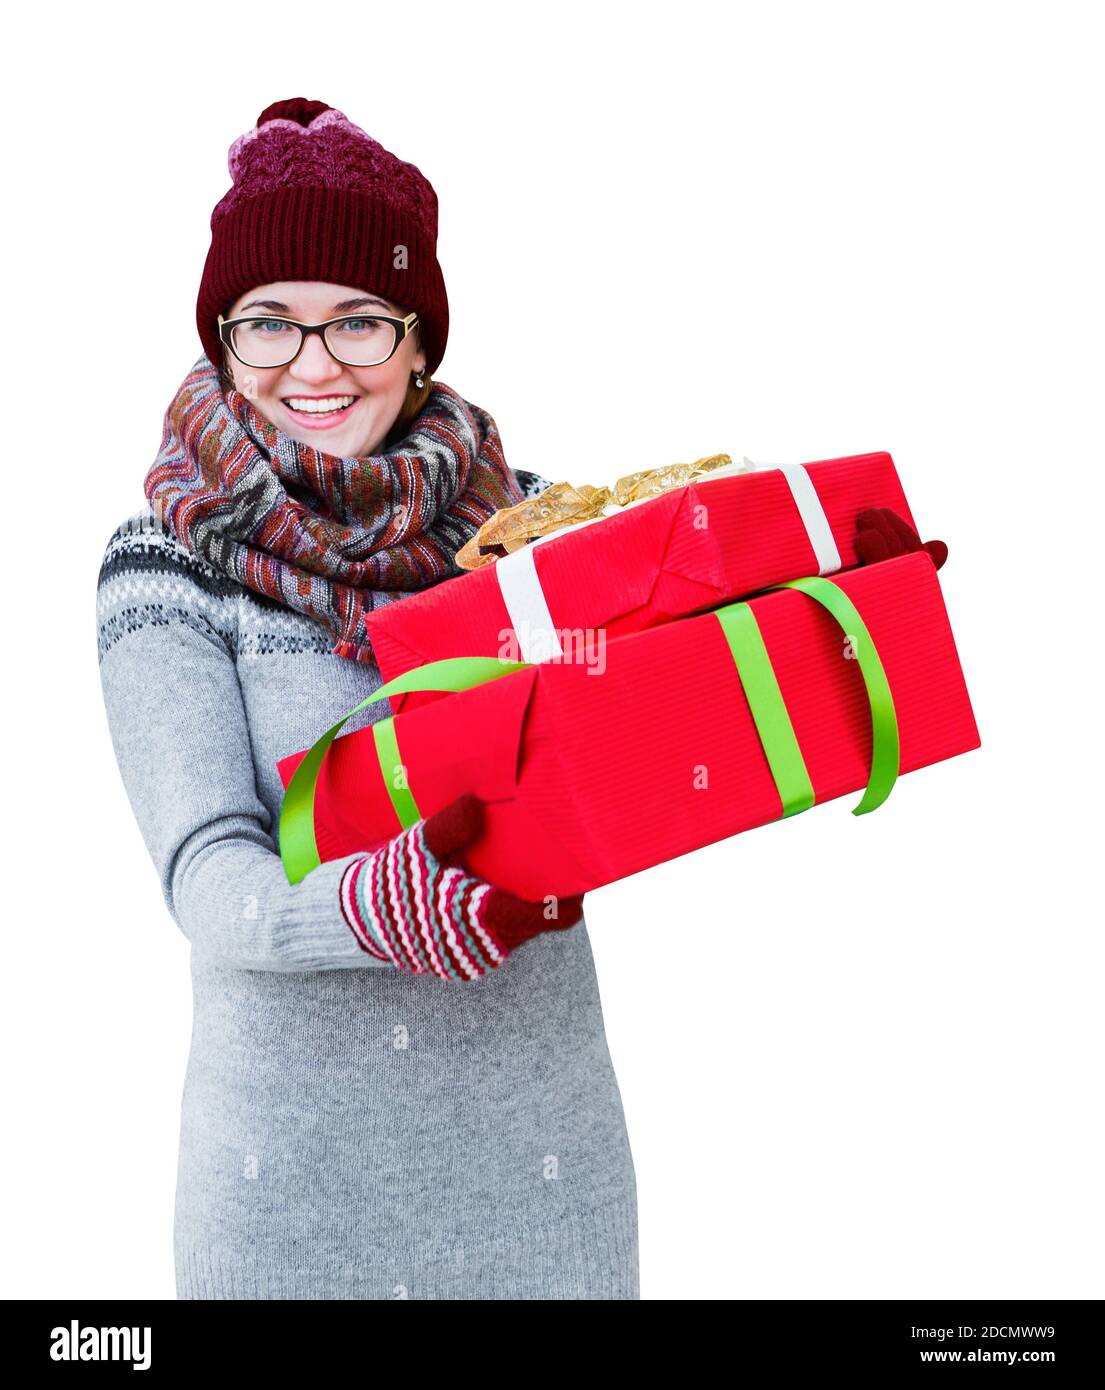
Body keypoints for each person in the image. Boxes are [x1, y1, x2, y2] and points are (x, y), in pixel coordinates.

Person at [95, 98, 640, 1300]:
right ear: (222, 337)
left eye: (357, 323)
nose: (313, 365)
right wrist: (375, 907)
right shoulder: (168, 564)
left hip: (545, 1183)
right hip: (288, 1200)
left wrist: (810, 610)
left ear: (419, 339)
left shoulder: (531, 531)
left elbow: (640, 728)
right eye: (270, 325)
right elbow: (209, 879)